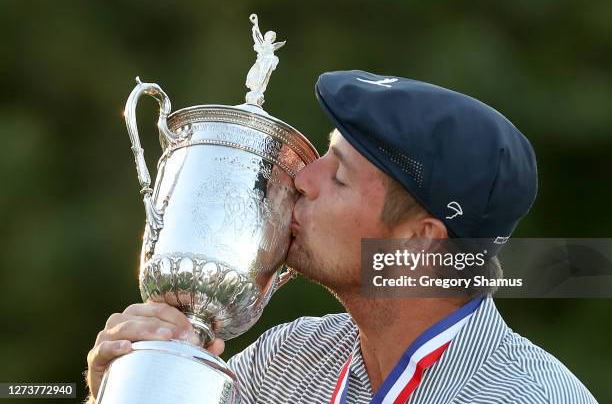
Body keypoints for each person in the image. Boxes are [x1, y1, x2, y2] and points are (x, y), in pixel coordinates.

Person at [85, 70, 598, 403]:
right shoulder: (290, 357)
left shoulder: (531, 396)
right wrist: (126, 385)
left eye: (339, 176)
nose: (301, 179)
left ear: (419, 240)